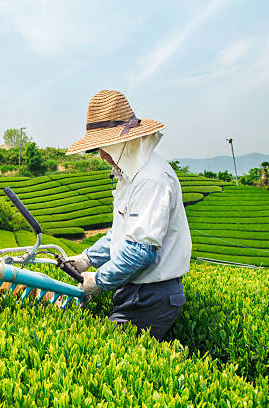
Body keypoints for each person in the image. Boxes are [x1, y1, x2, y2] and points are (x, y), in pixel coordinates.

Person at [65, 89, 191, 340]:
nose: (101, 155)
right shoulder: (131, 177)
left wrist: (98, 280)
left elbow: (140, 251)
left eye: (103, 147)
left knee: (107, 353)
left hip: (152, 297)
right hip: (136, 291)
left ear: (124, 142)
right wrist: (87, 258)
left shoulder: (150, 179)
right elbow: (121, 235)